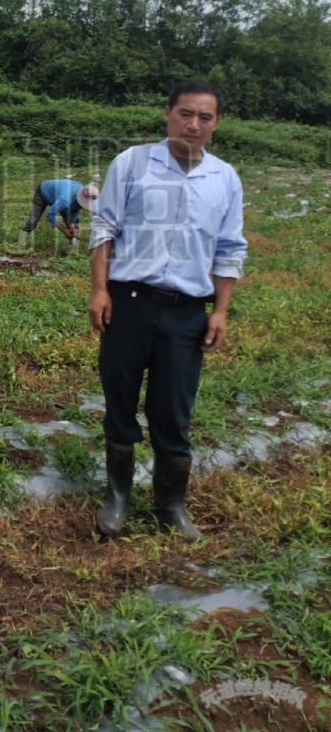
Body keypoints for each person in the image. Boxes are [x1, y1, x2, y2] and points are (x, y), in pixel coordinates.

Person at [87, 79, 247, 541]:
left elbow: (229, 247)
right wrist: (99, 290)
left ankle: (170, 504)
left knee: (173, 410)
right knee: (120, 400)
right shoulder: (133, 163)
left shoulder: (224, 178)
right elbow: (104, 227)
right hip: (130, 304)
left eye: (205, 117)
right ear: (167, 113)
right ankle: (117, 497)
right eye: (185, 113)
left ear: (216, 123)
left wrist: (220, 311)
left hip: (187, 314)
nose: (193, 124)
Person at [17, 179, 99, 247]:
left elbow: (75, 210)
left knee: (74, 226)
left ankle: (73, 249)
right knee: (33, 220)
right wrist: (63, 229)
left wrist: (72, 225)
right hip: (43, 192)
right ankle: (21, 245)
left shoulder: (81, 196)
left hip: (60, 197)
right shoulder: (65, 199)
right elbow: (50, 215)